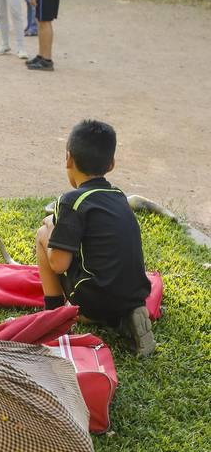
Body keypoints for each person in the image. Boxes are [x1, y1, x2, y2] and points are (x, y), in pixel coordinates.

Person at [35, 120, 155, 356]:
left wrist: (51, 227)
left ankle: (53, 317)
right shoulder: (118, 196)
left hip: (95, 298)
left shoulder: (71, 201)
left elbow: (59, 263)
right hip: (135, 294)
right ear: (111, 164)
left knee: (42, 234)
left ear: (68, 158)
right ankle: (125, 315)